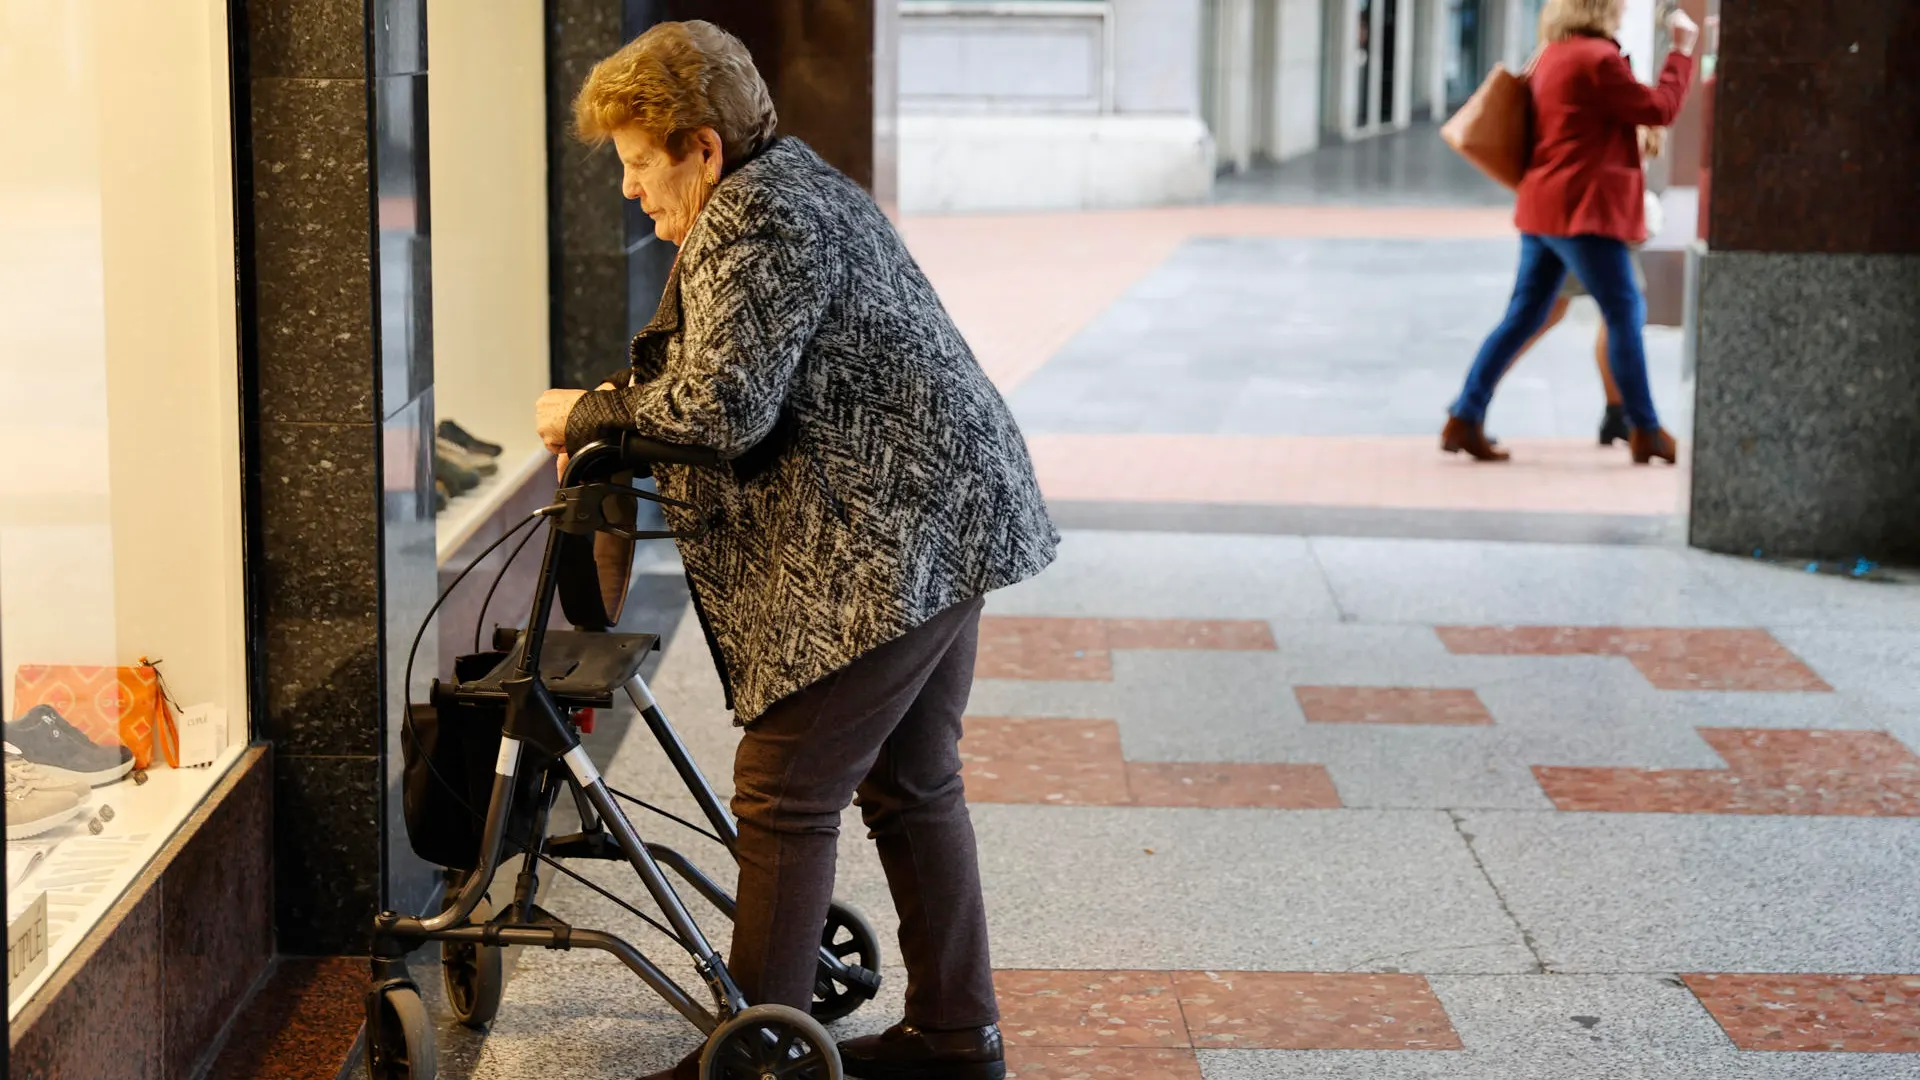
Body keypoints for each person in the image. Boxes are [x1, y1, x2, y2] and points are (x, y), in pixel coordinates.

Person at [533, 20, 1056, 1080]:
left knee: (784, 789)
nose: (632, 191)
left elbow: (723, 405)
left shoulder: (760, 217)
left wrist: (586, 413)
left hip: (900, 536)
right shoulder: (791, 186)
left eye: (640, 163)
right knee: (913, 785)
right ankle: (958, 1040)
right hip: (941, 518)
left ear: (703, 148)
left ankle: (758, 1053)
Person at [1442, 0, 1699, 465]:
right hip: (1583, 213)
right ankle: (1645, 430)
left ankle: (1465, 415)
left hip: (1542, 208)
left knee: (1524, 317)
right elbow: (1659, 108)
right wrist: (1682, 51)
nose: (1622, 10)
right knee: (1625, 312)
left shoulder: (1554, 53)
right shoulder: (1597, 59)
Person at [1493, 126, 1668, 448]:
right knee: (1550, 318)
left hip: (1587, 220)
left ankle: (1619, 414)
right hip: (1593, 226)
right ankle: (1471, 405)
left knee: (1599, 319)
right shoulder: (1616, 98)